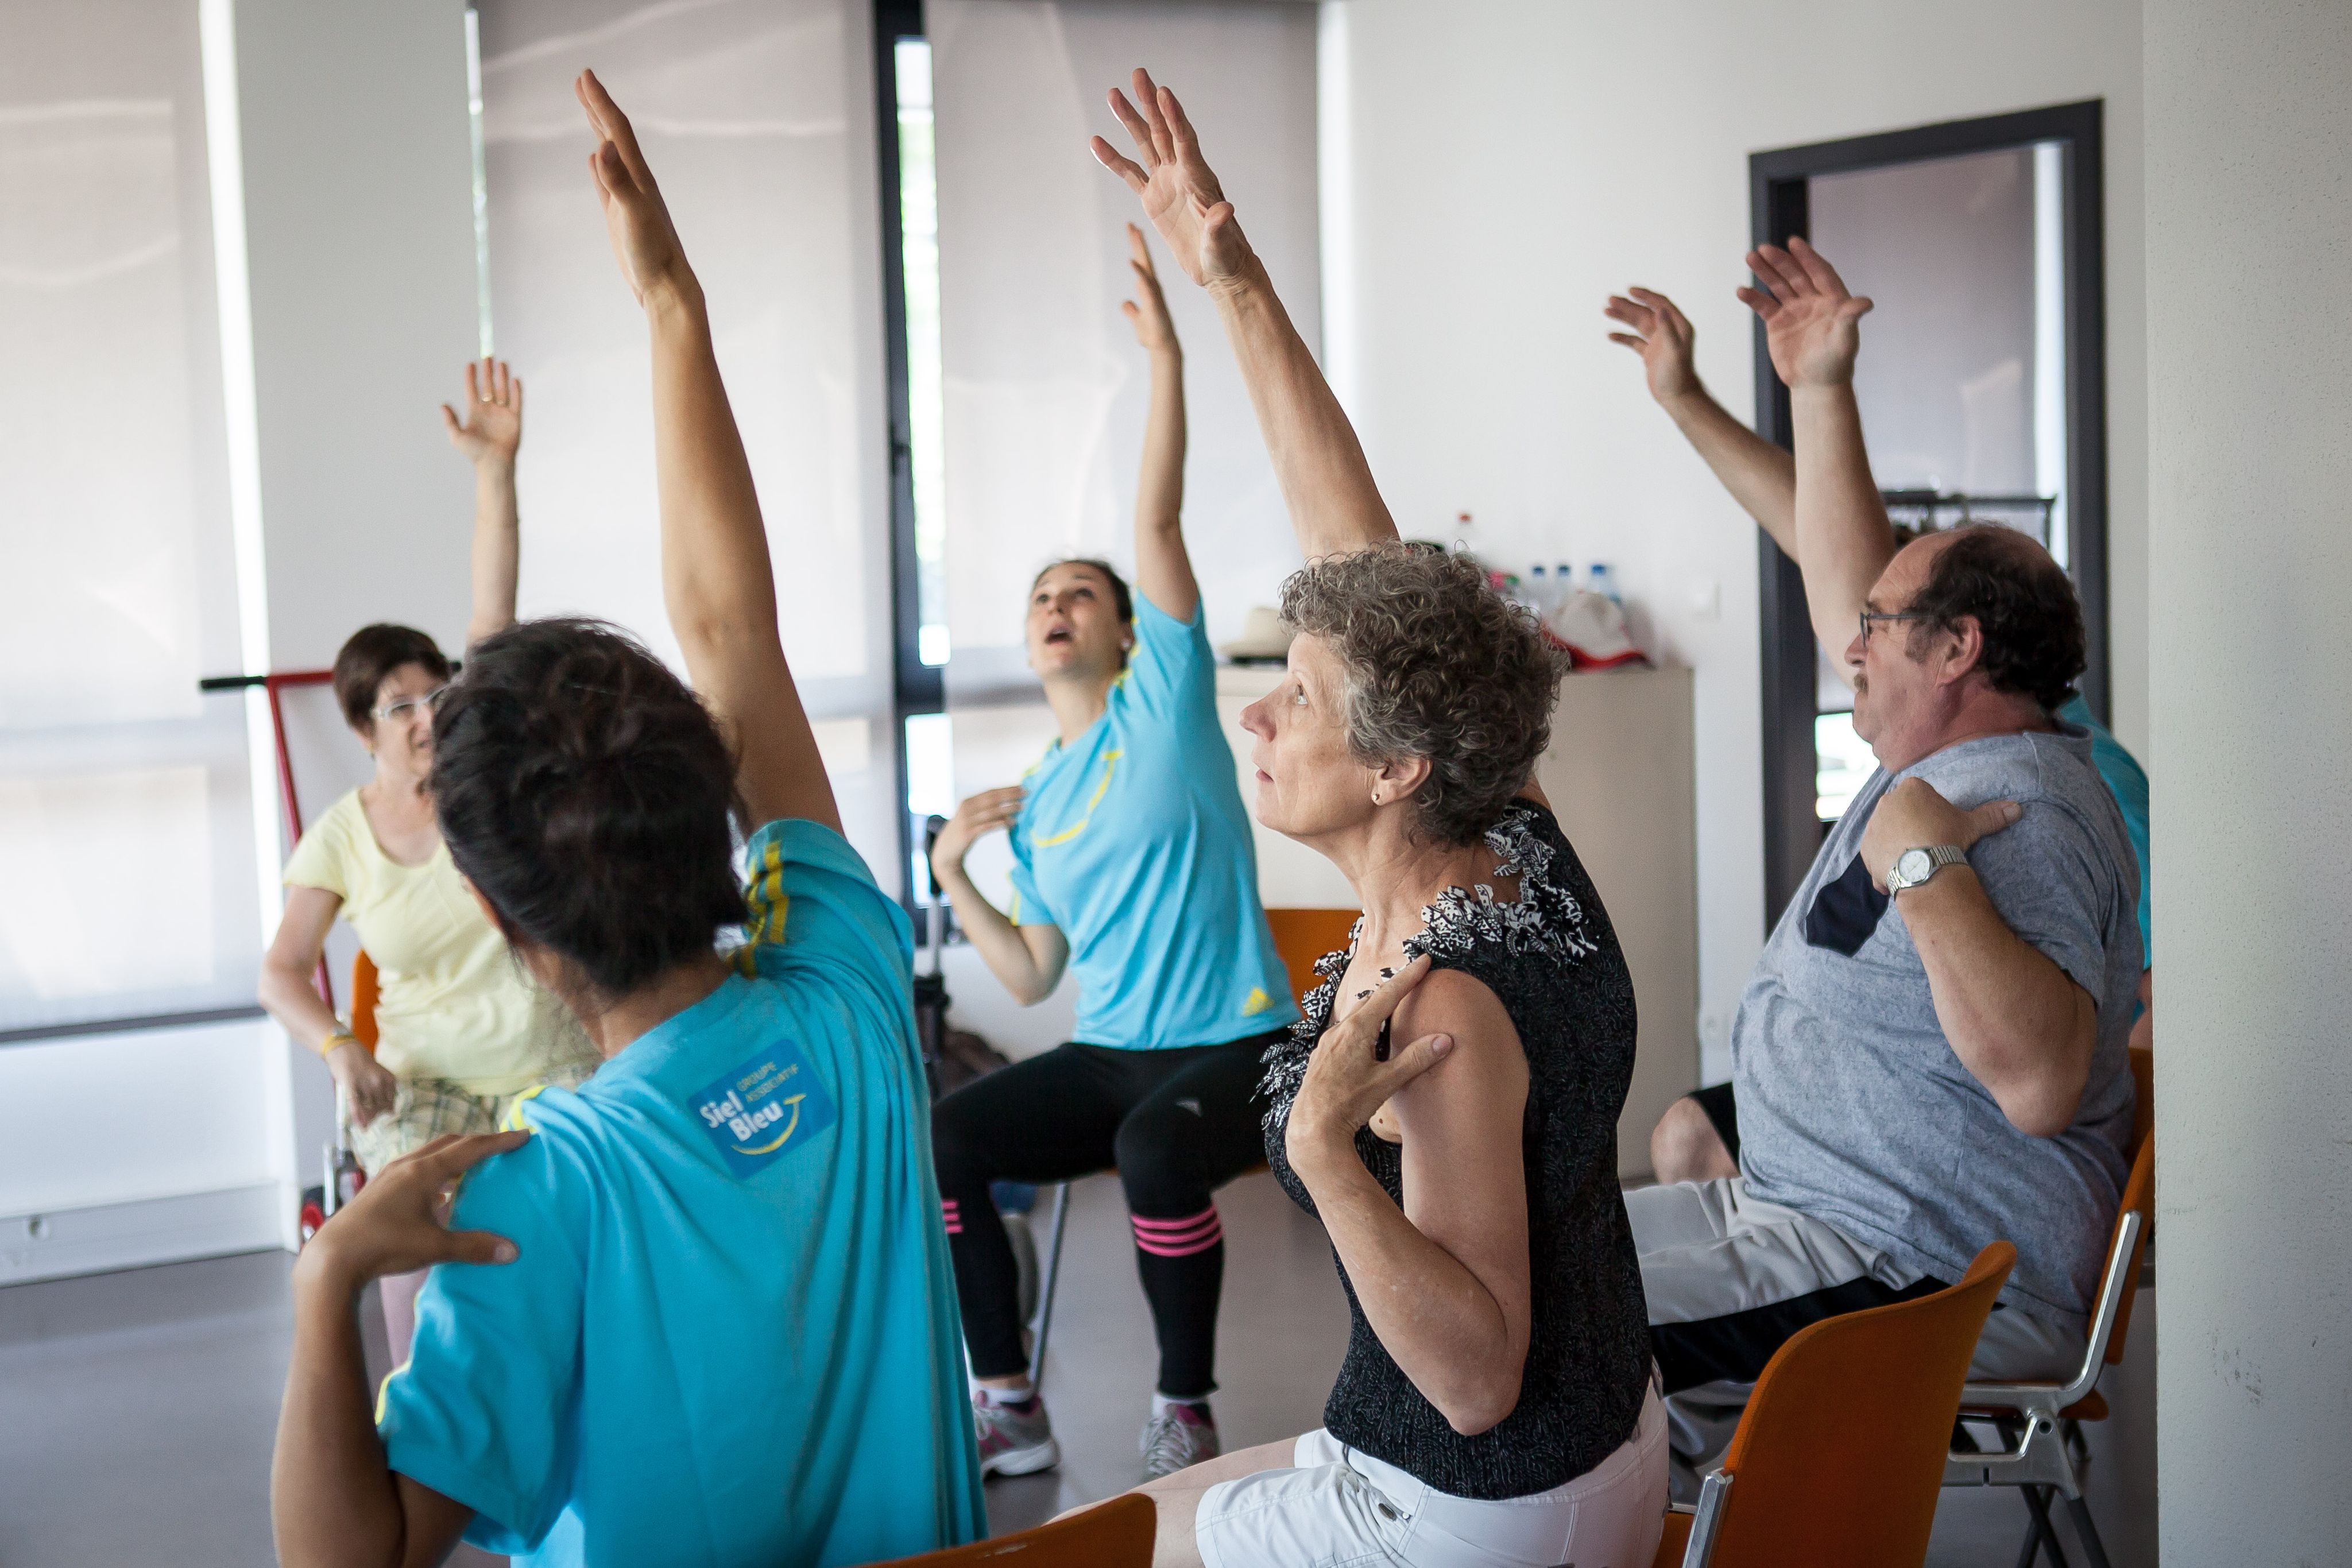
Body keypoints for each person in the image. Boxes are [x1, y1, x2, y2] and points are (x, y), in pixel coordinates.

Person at [268, 71, 984, 1568]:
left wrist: (330, 1285)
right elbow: (737, 629)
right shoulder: (849, 976)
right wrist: (673, 308)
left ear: (515, 928)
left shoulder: (527, 1204)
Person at [1086, 71, 1668, 1567]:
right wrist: (1238, 283)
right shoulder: (1516, 839)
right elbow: (1358, 535)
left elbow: (1474, 1378)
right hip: (1608, 1441)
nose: (1254, 714)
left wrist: (1336, 1156)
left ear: (1401, 763)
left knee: (1102, 1543)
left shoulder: (1441, 1003)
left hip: (1481, 1494)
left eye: (1297, 697)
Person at [1604, 237, 2140, 1492]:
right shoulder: (1938, 763)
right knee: (1509, 1276)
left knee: (1538, 1348)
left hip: (1914, 1259)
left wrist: (1920, 872)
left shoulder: (2026, 812)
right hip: (1812, 1209)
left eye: (1877, 631)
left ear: (1954, 649)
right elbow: (1837, 557)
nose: (1847, 643)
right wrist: (1798, 391)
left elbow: (2043, 1082)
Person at [926, 223, 1299, 1481]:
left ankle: (1181, 1404)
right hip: (1110, 1051)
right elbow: (1032, 975)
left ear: (1129, 627)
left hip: (1236, 1040)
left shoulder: (1165, 706)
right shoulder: (1037, 793)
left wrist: (1165, 362)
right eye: (1039, 599)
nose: (1053, 609)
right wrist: (953, 878)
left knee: (1151, 1149)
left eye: (1077, 594)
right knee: (951, 1139)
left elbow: (1156, 514)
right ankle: (1009, 1402)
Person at [257, 357, 599, 1362]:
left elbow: (493, 618)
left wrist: (495, 474)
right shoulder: (343, 833)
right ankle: (424, 1406)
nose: (425, 715)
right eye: (398, 705)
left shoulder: (490, 783)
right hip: (428, 1081)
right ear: (364, 731)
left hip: (553, 1062)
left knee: (583, 1216)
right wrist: (337, 1047)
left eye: (434, 693)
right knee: (411, 1218)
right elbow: (281, 970)